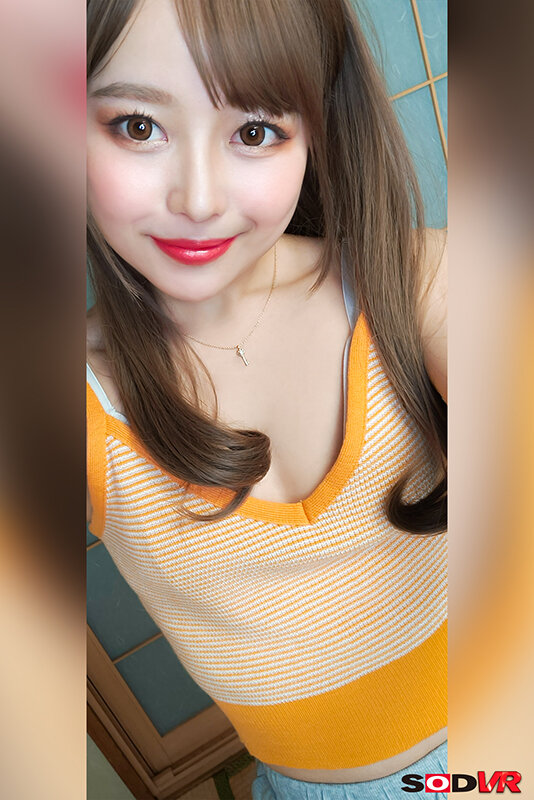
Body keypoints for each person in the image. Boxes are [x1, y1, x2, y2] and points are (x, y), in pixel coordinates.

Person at [86, 0, 448, 796]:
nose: (199, 199)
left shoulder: (419, 284)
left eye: (254, 131)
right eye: (139, 126)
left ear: (314, 128)